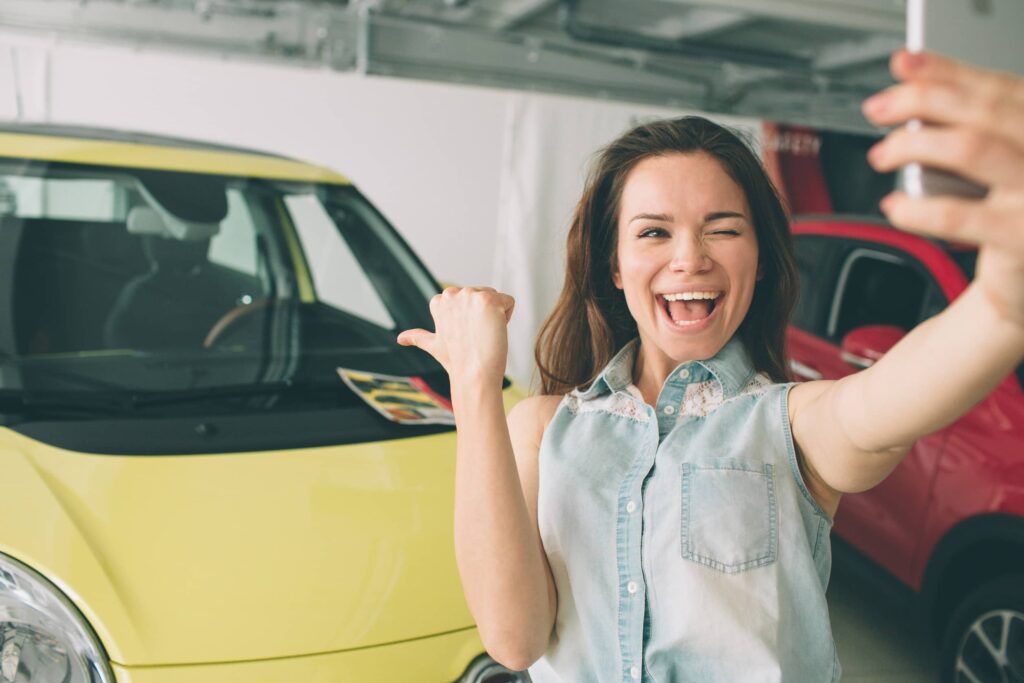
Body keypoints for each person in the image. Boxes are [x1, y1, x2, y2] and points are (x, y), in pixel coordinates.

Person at [397, 48, 1024, 681]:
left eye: (722, 229)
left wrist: (1005, 297)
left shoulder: (793, 426)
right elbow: (514, 640)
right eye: (653, 232)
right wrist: (474, 386)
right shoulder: (541, 427)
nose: (689, 258)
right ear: (614, 266)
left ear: (761, 257)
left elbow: (894, 396)